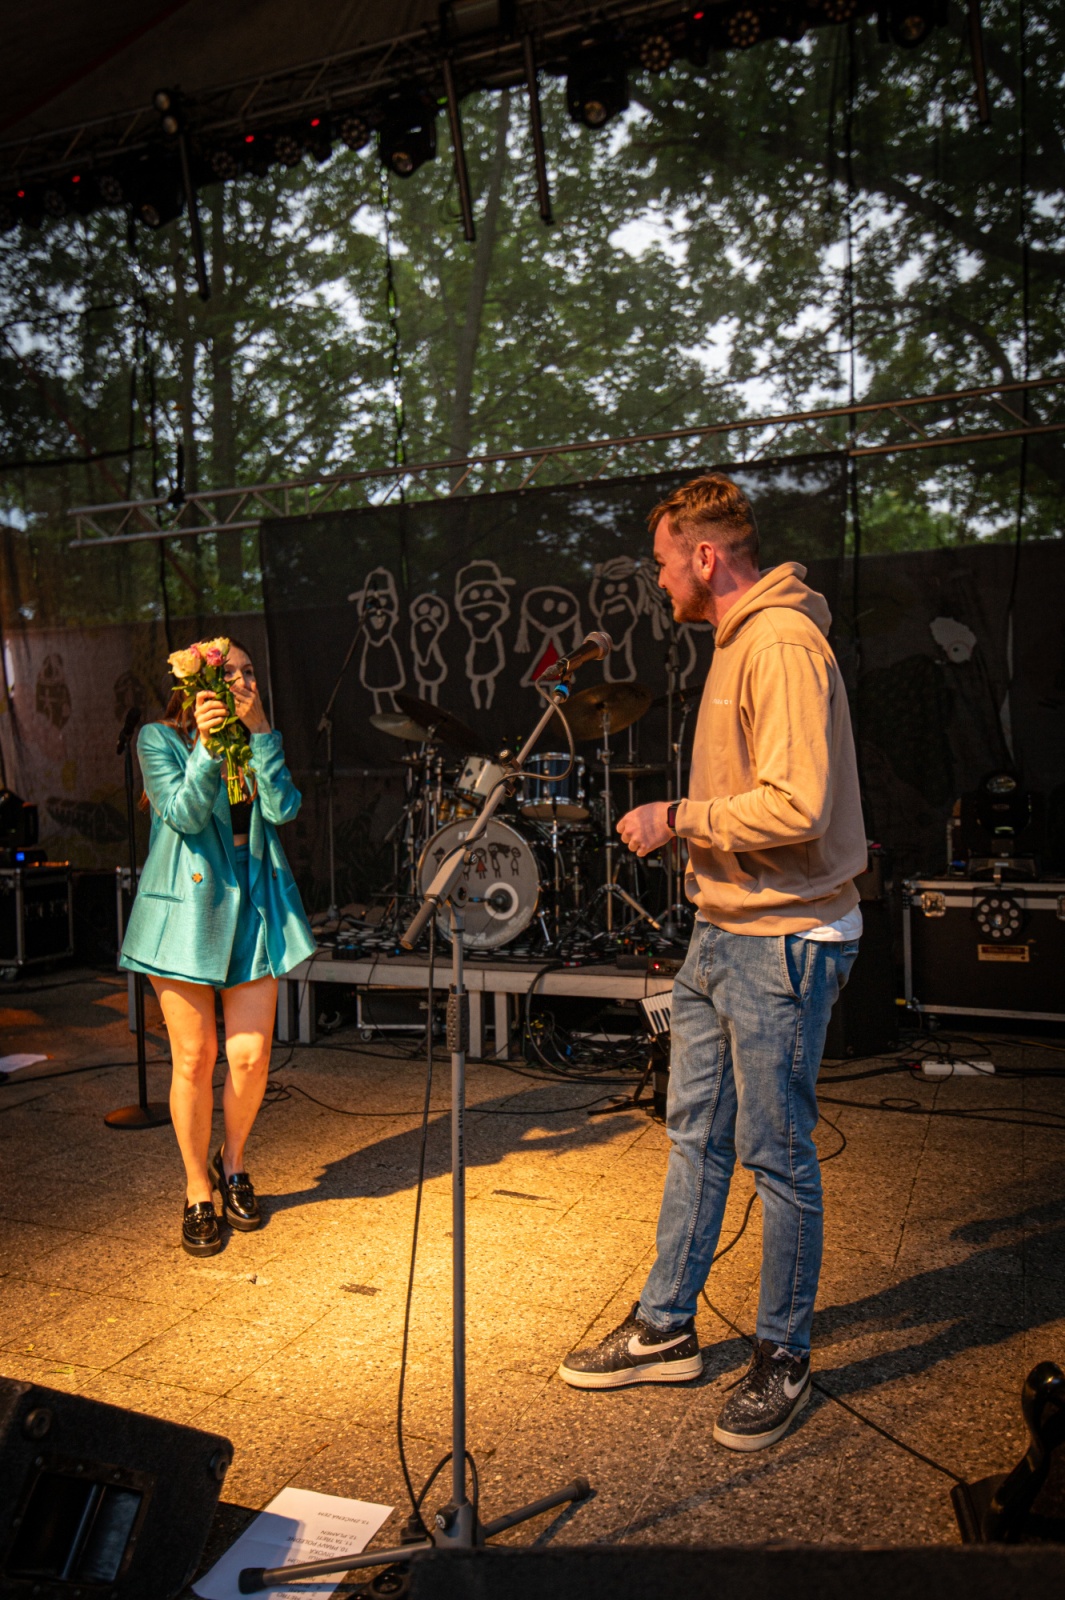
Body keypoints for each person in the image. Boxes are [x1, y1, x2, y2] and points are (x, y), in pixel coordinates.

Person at [558, 475, 867, 1451]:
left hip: (783, 937)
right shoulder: (736, 640)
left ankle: (783, 1352)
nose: (657, 581)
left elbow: (798, 805)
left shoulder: (779, 643)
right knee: (695, 1133)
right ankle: (666, 1327)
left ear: (703, 556)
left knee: (777, 1154)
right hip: (723, 931)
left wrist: (677, 817)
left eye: (662, 562)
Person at [120, 639, 315, 1258]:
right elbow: (182, 814)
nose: (244, 682)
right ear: (198, 685)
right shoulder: (159, 739)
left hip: (252, 901)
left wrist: (262, 733)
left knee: (251, 1057)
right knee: (195, 1057)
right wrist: (207, 745)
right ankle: (196, 1188)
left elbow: (283, 808)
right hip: (186, 911)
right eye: (230, 673)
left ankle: (232, 1163)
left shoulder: (257, 738)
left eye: (250, 672)